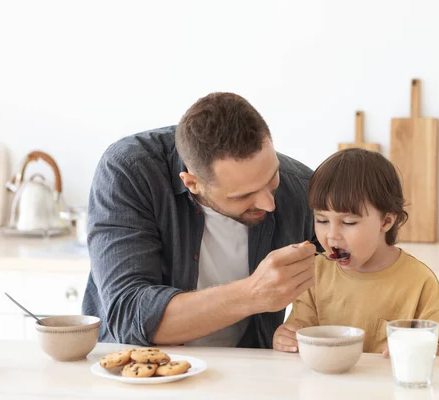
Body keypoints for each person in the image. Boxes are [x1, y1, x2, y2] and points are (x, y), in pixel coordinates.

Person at [82, 92, 318, 348]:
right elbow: (131, 316)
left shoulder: (302, 187)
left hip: (250, 374)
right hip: (140, 373)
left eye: (272, 178)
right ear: (192, 182)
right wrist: (253, 294)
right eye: (244, 195)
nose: (268, 204)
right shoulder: (131, 171)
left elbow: (344, 281)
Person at [273, 148, 439, 356]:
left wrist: (418, 349)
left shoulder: (419, 281)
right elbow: (299, 337)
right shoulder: (314, 274)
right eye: (322, 220)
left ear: (386, 221)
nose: (332, 235)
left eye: (348, 222)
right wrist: (286, 339)